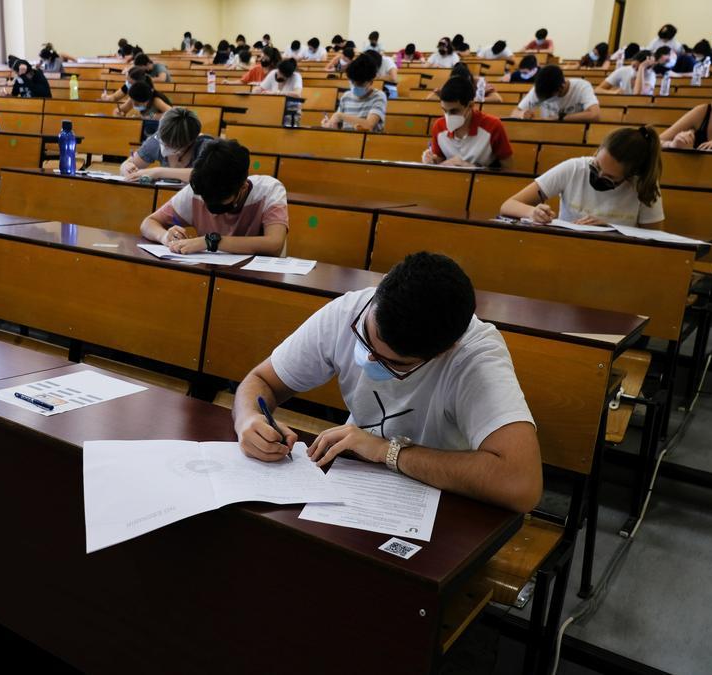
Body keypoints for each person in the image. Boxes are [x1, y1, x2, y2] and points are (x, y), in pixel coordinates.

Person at [232, 251, 541, 513]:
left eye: (393, 363)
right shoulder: (352, 311)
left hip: (442, 503)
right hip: (353, 484)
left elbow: (520, 484)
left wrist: (387, 452)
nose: (368, 360)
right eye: (366, 339)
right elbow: (261, 381)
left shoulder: (474, 356)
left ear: (443, 351)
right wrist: (248, 419)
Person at [140, 139, 287, 257]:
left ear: (242, 187)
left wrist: (211, 241)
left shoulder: (269, 190)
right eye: (206, 200)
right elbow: (148, 223)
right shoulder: (199, 187)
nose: (212, 206)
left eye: (220, 203)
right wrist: (165, 236)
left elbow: (274, 244)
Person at [501, 126, 663, 228]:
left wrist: (612, 228)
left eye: (610, 177)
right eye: (597, 166)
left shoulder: (644, 185)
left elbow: (655, 240)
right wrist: (532, 212)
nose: (598, 175)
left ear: (631, 175)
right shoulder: (574, 168)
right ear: (598, 151)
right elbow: (508, 205)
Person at [422, 76, 513, 169]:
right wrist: (432, 161)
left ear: (470, 105)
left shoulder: (493, 126)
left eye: (454, 111)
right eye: (444, 110)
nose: (448, 116)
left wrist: (474, 168)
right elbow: (440, 160)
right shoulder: (439, 126)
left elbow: (507, 168)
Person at [120, 107, 214, 182]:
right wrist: (126, 167)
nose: (164, 146)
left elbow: (205, 175)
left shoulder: (206, 146)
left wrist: (158, 172)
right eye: (162, 141)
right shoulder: (157, 139)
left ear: (189, 142)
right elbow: (130, 163)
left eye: (171, 145)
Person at [324, 54, 387, 132]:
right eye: (352, 82)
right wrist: (329, 124)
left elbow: (369, 125)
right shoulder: (346, 97)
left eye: (360, 83)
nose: (355, 85)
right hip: (346, 141)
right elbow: (337, 128)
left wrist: (340, 116)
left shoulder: (378, 96)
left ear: (371, 81)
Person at [514, 65, 600, 122]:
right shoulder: (539, 88)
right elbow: (515, 112)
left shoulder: (582, 86)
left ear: (561, 87)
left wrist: (560, 118)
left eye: (550, 97)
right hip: (546, 132)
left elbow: (595, 114)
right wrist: (522, 114)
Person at [426, 63, 501, 102]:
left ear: (469, 78)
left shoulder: (479, 82)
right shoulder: (450, 82)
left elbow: (497, 99)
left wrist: (473, 100)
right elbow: (430, 98)